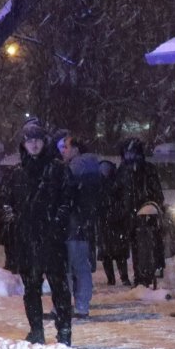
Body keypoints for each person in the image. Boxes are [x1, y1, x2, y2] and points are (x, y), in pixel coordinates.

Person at [0, 118, 75, 346]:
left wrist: (56, 223)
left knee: (59, 287)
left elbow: (67, 200)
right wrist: (13, 221)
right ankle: (36, 330)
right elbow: (4, 202)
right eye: (30, 141)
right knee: (31, 289)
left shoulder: (57, 169)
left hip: (52, 240)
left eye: (38, 140)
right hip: (27, 241)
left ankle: (64, 332)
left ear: (44, 142)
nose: (34, 145)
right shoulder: (17, 173)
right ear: (24, 145)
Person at [109, 137, 165, 288]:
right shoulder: (123, 171)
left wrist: (149, 208)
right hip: (129, 216)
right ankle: (140, 277)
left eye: (132, 152)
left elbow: (157, 194)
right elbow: (116, 193)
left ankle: (144, 277)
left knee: (144, 247)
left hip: (145, 215)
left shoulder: (146, 170)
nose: (130, 156)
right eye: (127, 153)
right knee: (134, 247)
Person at [60, 134, 104, 317]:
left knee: (69, 266)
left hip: (72, 224)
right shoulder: (93, 169)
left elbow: (67, 195)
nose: (63, 151)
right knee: (81, 265)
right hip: (84, 225)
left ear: (76, 150)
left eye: (66, 147)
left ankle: (70, 305)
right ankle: (81, 305)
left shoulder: (75, 169)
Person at [95, 158, 129, 286]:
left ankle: (121, 278)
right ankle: (113, 278)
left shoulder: (115, 183)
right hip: (108, 222)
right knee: (108, 253)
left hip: (114, 221)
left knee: (116, 252)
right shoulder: (102, 184)